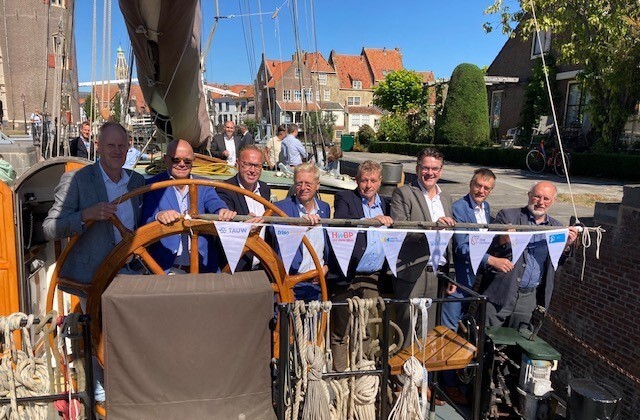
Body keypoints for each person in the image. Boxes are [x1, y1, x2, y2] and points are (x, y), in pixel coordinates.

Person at [43, 121, 145, 404]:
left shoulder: (137, 182)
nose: (117, 151)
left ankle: (135, 388)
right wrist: (86, 214)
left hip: (130, 271)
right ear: (98, 146)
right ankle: (101, 392)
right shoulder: (76, 180)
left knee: (135, 332)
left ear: (129, 148)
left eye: (122, 146)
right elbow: (50, 228)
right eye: (111, 145)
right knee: (100, 334)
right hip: (93, 275)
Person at [481, 181, 578, 331]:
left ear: (553, 201)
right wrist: (503, 239)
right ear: (529, 195)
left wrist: (566, 246)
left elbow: (555, 262)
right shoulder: (508, 216)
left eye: (546, 199)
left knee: (519, 341)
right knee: (483, 337)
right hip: (501, 291)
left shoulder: (556, 227)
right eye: (537, 196)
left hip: (529, 298)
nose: (541, 202)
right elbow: (486, 248)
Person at [329, 160, 393, 371]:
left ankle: (362, 373)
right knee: (341, 329)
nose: (368, 185)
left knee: (367, 329)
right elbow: (342, 220)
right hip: (347, 274)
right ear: (357, 181)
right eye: (364, 180)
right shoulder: (345, 198)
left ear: (380, 181)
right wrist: (371, 220)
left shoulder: (388, 204)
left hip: (373, 276)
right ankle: (340, 373)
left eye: (373, 180)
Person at [390, 147, 455, 342]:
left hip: (437, 273)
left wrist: (451, 271)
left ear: (441, 171)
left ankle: (423, 364)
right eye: (426, 168)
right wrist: (433, 227)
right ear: (418, 169)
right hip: (412, 272)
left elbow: (450, 239)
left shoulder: (446, 198)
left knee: (429, 332)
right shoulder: (403, 193)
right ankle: (404, 363)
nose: (430, 173)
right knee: (407, 332)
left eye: (435, 169)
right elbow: (401, 228)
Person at [141, 139, 236, 273]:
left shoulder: (204, 185)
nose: (182, 164)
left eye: (187, 161)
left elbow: (213, 201)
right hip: (166, 269)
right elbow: (145, 221)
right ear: (166, 159)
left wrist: (221, 210)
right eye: (176, 160)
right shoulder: (152, 186)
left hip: (203, 267)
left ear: (193, 160)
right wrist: (159, 216)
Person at [443, 168, 511, 330]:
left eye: (486, 188)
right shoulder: (459, 208)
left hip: (475, 276)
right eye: (478, 185)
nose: (481, 191)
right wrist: (491, 260)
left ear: (491, 190)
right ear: (470, 184)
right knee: (449, 325)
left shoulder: (485, 207)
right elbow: (462, 248)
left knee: (463, 321)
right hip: (459, 277)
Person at [274, 163, 330, 301]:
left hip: (317, 283)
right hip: (291, 283)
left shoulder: (325, 208)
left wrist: (326, 268)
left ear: (318, 185)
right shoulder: (280, 208)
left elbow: (328, 244)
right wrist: (298, 225)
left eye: (308, 184)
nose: (303, 188)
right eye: (299, 184)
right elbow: (274, 233)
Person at [217, 145, 271, 270]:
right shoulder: (225, 190)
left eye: (257, 166)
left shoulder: (265, 189)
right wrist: (243, 227)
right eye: (247, 164)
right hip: (236, 267)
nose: (252, 170)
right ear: (237, 163)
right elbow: (224, 226)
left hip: (262, 266)